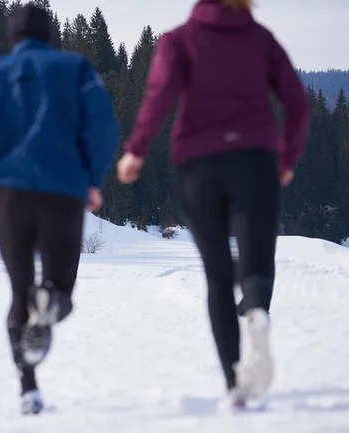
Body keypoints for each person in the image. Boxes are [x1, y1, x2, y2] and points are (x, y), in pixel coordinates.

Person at [116, 0, 310, 408]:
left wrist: (136, 150)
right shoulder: (262, 40)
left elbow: (159, 97)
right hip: (256, 161)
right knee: (256, 263)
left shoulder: (179, 40)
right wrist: (287, 158)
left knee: (219, 275)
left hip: (198, 166)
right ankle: (257, 311)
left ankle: (234, 386)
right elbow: (297, 103)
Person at [0, 4, 119, 415]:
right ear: (48, 34)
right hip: (63, 191)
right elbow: (104, 127)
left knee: (18, 292)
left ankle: (28, 390)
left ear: (12, 36)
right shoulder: (76, 67)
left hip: (10, 193)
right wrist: (93, 178)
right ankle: (51, 301)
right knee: (60, 291)